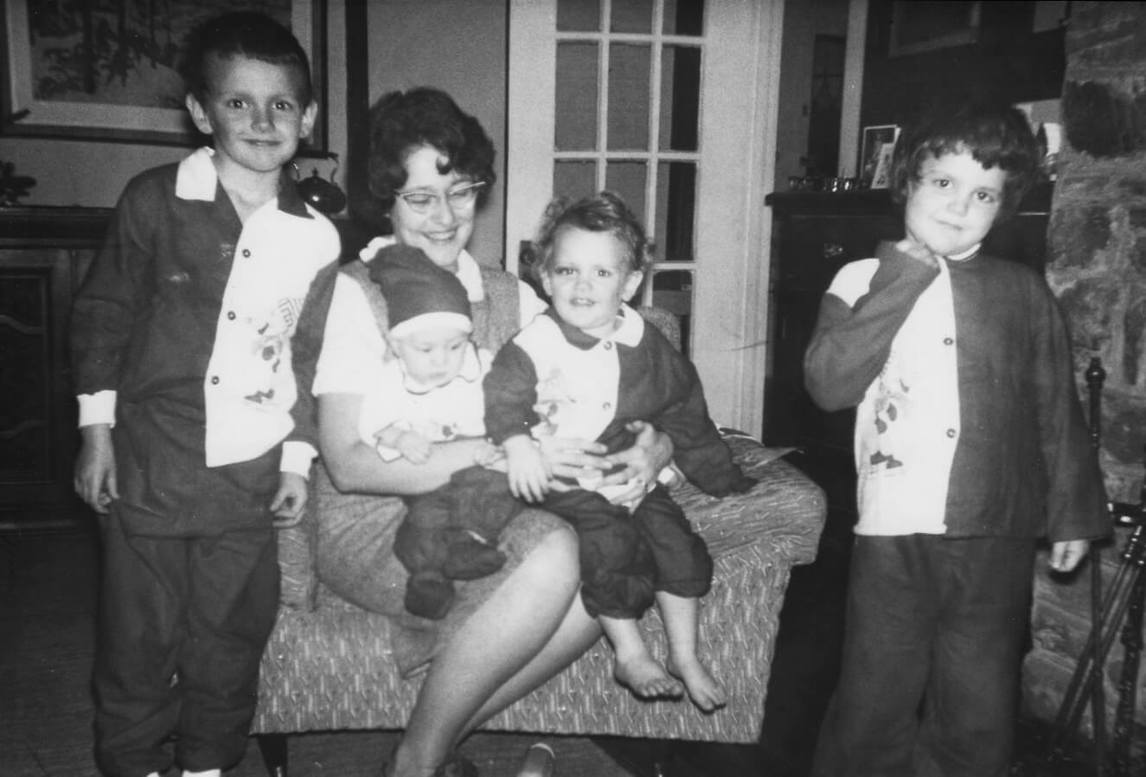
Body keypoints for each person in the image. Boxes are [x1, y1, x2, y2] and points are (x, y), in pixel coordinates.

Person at [293, 87, 673, 777]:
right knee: (563, 550)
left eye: (462, 191)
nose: (446, 217)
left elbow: (628, 385)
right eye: (420, 198)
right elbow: (348, 463)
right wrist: (500, 451)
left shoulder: (511, 293)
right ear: (387, 199)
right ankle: (418, 761)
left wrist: (657, 445)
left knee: (611, 554)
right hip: (375, 517)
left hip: (491, 508)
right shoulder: (359, 291)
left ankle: (431, 753)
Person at [803, 99, 1112, 777]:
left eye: (984, 193)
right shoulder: (859, 279)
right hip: (893, 525)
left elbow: (1056, 409)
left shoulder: (1023, 292)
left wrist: (1072, 513)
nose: (959, 205)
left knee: (977, 697)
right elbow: (830, 383)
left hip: (995, 525)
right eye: (943, 182)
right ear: (907, 182)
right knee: (875, 690)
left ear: (1002, 208)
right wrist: (903, 276)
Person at [70, 12, 340, 777]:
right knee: (138, 636)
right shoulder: (157, 198)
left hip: (247, 476)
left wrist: (295, 458)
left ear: (308, 118)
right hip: (151, 460)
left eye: (281, 104)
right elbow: (103, 313)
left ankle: (207, 765)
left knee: (229, 635)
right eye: (238, 102)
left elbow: (308, 356)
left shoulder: (316, 236)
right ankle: (132, 763)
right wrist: (96, 432)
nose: (261, 120)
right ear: (200, 111)